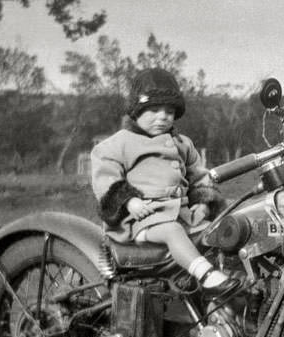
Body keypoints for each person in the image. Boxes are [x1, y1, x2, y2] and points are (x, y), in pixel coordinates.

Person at [90, 68, 237, 295]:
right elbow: (106, 178)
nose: (163, 117)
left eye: (169, 111)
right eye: (154, 110)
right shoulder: (119, 143)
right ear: (136, 112)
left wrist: (204, 201)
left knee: (216, 231)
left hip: (182, 213)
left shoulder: (181, 143)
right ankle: (206, 275)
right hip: (141, 220)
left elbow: (198, 175)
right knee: (172, 231)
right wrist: (129, 202)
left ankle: (227, 287)